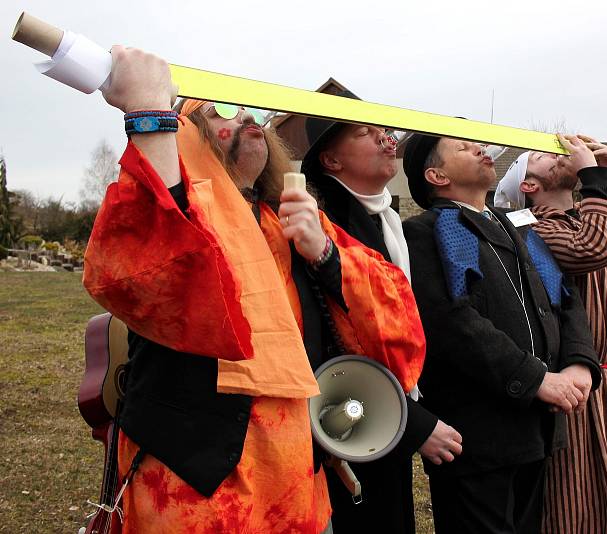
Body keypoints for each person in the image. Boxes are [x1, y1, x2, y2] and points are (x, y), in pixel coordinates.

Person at [82, 47, 425, 533]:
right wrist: (149, 120)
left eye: (253, 111)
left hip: (296, 481)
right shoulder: (175, 200)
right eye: (221, 111)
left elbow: (396, 309)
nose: (247, 119)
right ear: (188, 137)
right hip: (200, 488)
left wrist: (324, 253)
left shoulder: (286, 212)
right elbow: (142, 278)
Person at [400, 132, 601, 534]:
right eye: (461, 147)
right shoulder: (428, 231)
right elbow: (452, 323)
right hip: (478, 436)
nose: (480, 149)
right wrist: (535, 379)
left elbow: (563, 297)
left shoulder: (519, 226)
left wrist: (580, 363)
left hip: (537, 428)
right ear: (436, 175)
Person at [495, 134, 607, 533]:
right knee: (578, 494)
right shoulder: (537, 229)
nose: (557, 154)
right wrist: (594, 178)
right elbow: (591, 248)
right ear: (530, 186)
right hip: (576, 381)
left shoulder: (591, 216)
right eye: (541, 156)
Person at [300, 113, 462, 534]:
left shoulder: (385, 220)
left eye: (385, 132)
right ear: (331, 161)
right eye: (366, 134)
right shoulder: (319, 220)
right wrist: (413, 422)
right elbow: (333, 340)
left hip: (387, 407)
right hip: (351, 418)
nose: (387, 140)